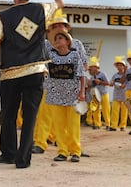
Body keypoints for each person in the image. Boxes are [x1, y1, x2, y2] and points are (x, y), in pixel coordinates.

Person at [0, 0, 64, 169]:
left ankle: (8, 154)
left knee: (9, 116)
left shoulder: (4, 16)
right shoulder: (41, 10)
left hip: (11, 73)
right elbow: (60, 4)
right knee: (30, 117)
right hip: (36, 70)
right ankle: (23, 159)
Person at [44, 29, 85, 162]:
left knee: (73, 125)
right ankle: (62, 151)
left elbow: (81, 75)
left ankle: (75, 151)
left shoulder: (75, 56)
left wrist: (82, 92)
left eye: (60, 38)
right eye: (55, 39)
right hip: (55, 95)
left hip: (72, 96)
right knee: (59, 125)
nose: (57, 41)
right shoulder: (50, 55)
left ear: (67, 41)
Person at [86, 56, 111, 130]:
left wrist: (100, 82)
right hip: (95, 95)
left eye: (92, 67)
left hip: (103, 94)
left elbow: (108, 83)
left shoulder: (102, 74)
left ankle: (108, 124)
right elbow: (90, 86)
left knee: (105, 110)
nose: (90, 69)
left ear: (96, 67)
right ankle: (97, 124)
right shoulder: (91, 77)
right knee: (95, 110)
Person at [109, 56, 127, 131]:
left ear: (123, 66)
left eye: (121, 65)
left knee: (124, 111)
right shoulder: (115, 75)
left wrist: (124, 85)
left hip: (124, 95)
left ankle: (123, 125)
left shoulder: (126, 75)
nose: (119, 67)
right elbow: (111, 83)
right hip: (116, 94)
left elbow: (128, 83)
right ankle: (113, 125)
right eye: (118, 65)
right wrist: (112, 84)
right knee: (115, 111)